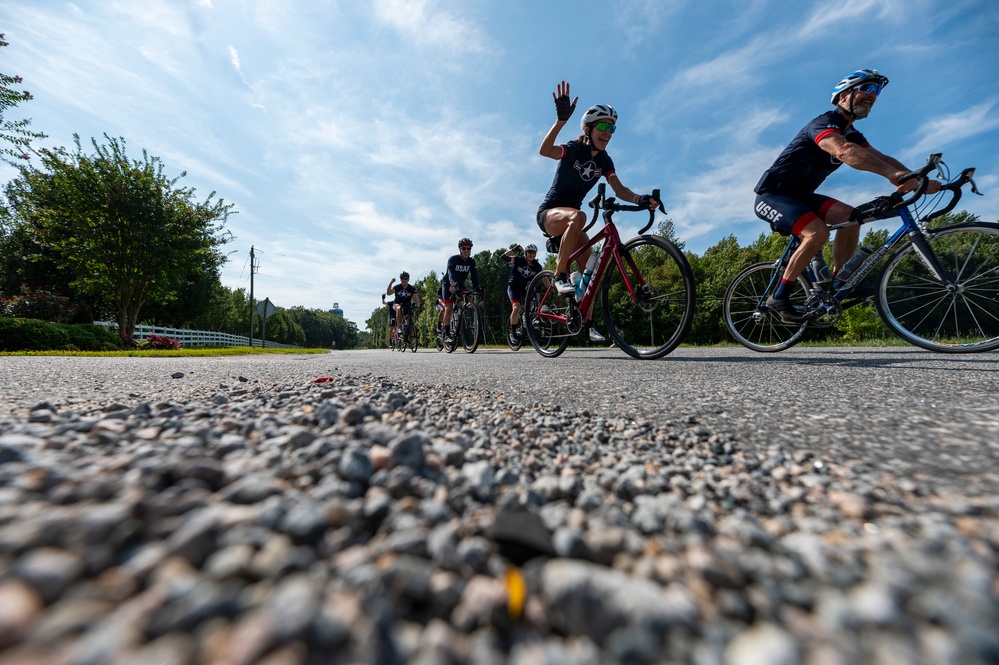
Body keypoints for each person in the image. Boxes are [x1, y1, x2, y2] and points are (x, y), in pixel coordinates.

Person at [753, 68, 941, 322]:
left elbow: (881, 158)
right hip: (773, 194)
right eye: (867, 89)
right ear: (843, 96)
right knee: (817, 232)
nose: (873, 96)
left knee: (854, 218)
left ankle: (838, 284)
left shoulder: (851, 132)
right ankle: (779, 297)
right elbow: (843, 151)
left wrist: (916, 178)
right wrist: (891, 175)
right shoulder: (824, 123)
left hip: (801, 196)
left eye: (877, 92)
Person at [537, 80, 659, 342]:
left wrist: (643, 198)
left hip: (574, 223)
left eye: (612, 128)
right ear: (589, 129)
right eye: (603, 126)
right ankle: (559, 276)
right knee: (578, 216)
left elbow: (621, 190)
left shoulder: (604, 160)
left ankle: (584, 322)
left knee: (592, 268)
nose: (608, 132)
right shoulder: (574, 148)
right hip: (550, 214)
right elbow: (545, 150)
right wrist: (560, 121)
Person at [502, 243, 544, 343]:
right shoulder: (519, 260)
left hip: (526, 289)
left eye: (534, 253)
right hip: (514, 287)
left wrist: (550, 287)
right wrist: (514, 249)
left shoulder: (537, 266)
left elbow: (544, 278)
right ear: (525, 252)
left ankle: (528, 316)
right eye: (530, 252)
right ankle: (513, 332)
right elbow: (504, 257)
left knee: (537, 295)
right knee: (517, 307)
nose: (532, 255)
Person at [441, 237, 481, 341]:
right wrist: (453, 284)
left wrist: (477, 286)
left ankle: (463, 313)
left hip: (460, 284)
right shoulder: (453, 259)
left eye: (468, 249)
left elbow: (474, 276)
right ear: (460, 249)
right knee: (448, 307)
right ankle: (446, 334)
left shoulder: (471, 262)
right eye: (464, 248)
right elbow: (450, 273)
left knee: (470, 295)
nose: (466, 251)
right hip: (448, 284)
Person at [387, 272, 421, 342]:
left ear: (408, 279)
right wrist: (391, 282)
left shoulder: (412, 288)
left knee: (411, 319)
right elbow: (389, 293)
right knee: (399, 309)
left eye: (405, 279)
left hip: (407, 305)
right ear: (400, 279)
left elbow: (416, 298)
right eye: (402, 279)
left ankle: (411, 338)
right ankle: (399, 327)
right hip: (397, 304)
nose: (404, 280)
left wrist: (418, 305)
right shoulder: (397, 287)